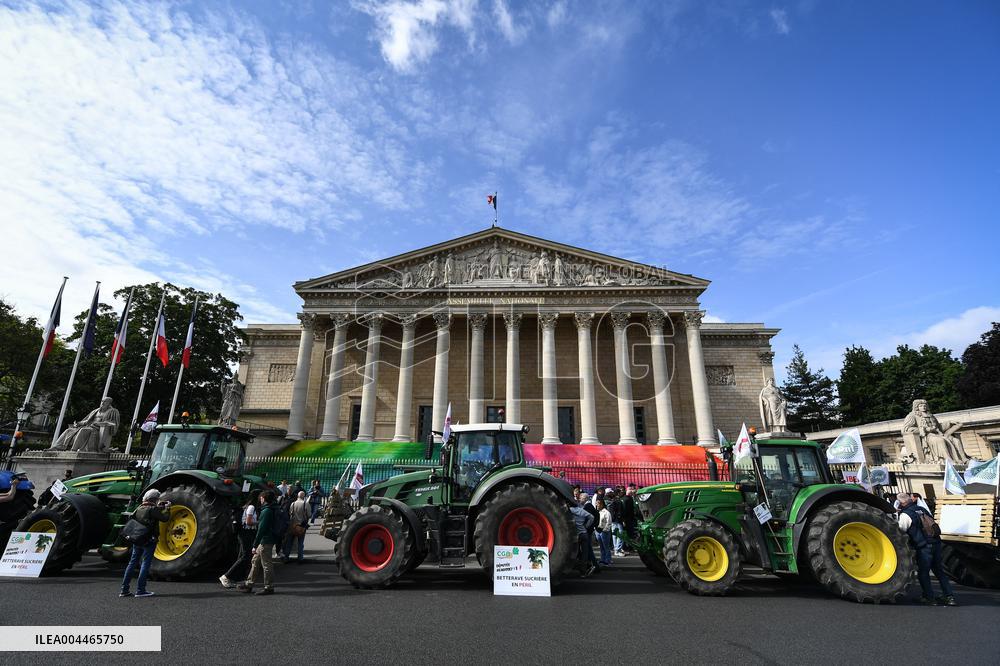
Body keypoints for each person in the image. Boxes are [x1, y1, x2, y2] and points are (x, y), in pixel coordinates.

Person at [896, 492, 956, 606]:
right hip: (936, 543)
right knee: (939, 571)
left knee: (923, 573)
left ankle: (929, 597)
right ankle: (949, 597)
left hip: (923, 547)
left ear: (901, 503)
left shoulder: (905, 515)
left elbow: (900, 531)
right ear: (910, 500)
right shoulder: (922, 509)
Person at [120, 489, 170, 598]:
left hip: (137, 539)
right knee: (145, 563)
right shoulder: (153, 509)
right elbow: (165, 518)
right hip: (149, 540)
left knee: (132, 563)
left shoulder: (139, 508)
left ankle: (124, 590)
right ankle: (140, 590)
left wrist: (159, 507)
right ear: (155, 499)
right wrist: (167, 508)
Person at [238, 491, 278, 595]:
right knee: (255, 561)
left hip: (266, 541)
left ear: (264, 498)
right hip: (266, 540)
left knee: (266, 564)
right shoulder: (270, 509)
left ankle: (269, 587)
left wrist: (254, 545)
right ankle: (249, 584)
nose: (260, 500)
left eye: (261, 498)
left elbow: (261, 530)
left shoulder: (266, 511)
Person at [220, 495, 258, 588]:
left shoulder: (246, 506)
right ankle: (226, 576)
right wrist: (259, 522)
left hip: (243, 533)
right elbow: (248, 522)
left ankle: (235, 577)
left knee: (242, 556)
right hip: (246, 533)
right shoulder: (252, 507)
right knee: (245, 556)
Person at [569, 499, 595, 576]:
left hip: (574, 534)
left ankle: (575, 566)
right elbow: (592, 517)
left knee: (575, 552)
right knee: (585, 553)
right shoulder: (582, 511)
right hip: (583, 533)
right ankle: (583, 571)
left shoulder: (569, 511)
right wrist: (586, 526)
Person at [283, 491, 311, 563]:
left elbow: (290, 513)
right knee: (300, 542)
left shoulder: (293, 503)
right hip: (301, 526)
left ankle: (286, 557)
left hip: (293, 525)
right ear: (304, 496)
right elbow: (309, 515)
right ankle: (300, 558)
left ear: (298, 496)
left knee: (289, 542)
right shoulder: (306, 504)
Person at [579, 492, 600, 574]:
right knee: (588, 549)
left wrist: (586, 527)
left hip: (587, 530)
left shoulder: (588, 507)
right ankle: (592, 565)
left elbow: (590, 518)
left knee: (588, 549)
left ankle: (595, 566)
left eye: (581, 498)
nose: (580, 500)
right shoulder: (589, 506)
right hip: (589, 530)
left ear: (584, 499)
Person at [596, 498, 613, 566]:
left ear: (602, 504)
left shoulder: (606, 512)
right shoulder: (597, 512)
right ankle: (602, 559)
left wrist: (604, 530)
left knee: (606, 547)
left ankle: (608, 560)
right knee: (601, 547)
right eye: (596, 503)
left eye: (598, 504)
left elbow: (609, 523)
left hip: (604, 531)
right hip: (598, 531)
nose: (597, 505)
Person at [608, 489, 625, 556]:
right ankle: (618, 549)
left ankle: (616, 549)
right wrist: (622, 520)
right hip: (618, 520)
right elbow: (621, 511)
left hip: (613, 520)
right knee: (620, 535)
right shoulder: (618, 501)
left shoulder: (612, 501)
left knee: (614, 535)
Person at [623, 484, 640, 549]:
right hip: (628, 519)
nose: (633, 491)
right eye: (631, 489)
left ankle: (632, 546)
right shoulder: (626, 499)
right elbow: (625, 509)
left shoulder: (634, 498)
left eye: (633, 489)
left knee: (633, 532)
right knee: (629, 533)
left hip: (633, 518)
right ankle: (629, 546)